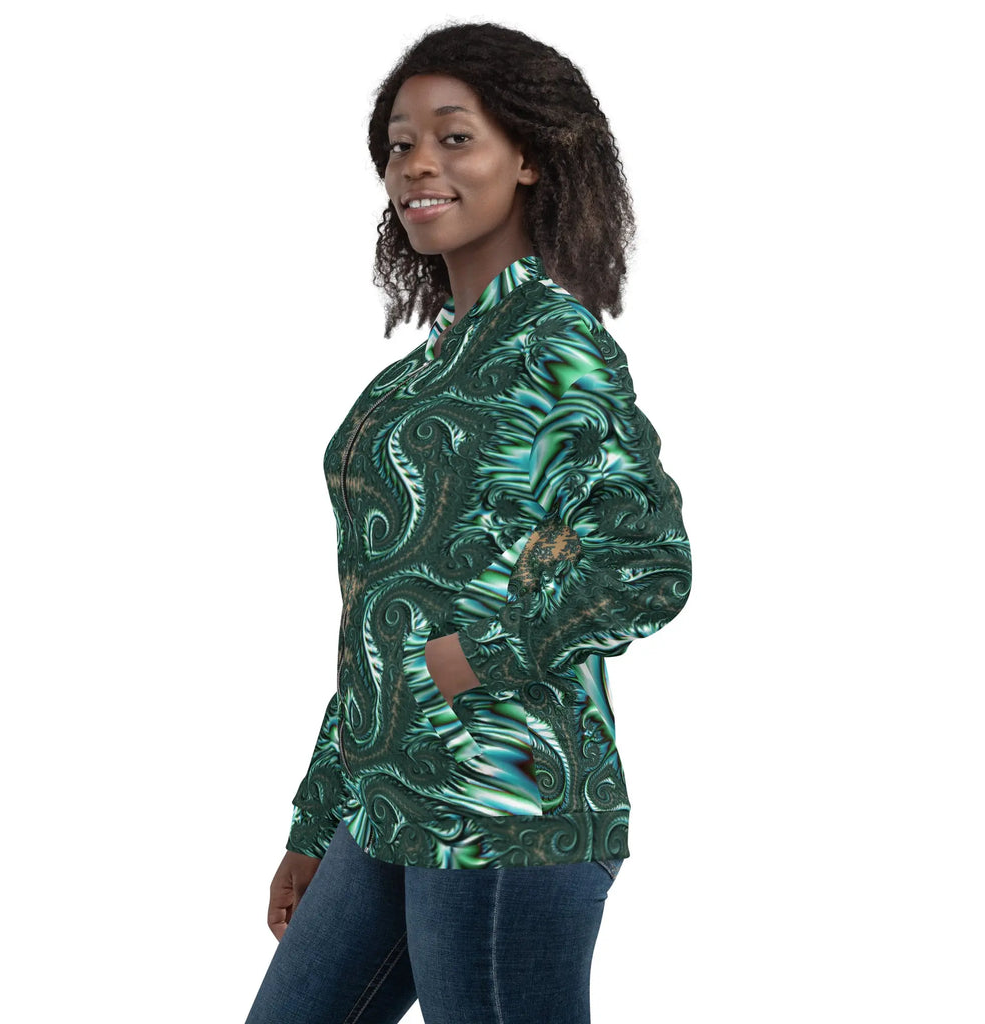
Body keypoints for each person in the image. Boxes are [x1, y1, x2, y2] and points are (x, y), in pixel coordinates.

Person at [244, 22, 691, 1024]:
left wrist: (476, 654)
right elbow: (382, 610)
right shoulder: (411, 380)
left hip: (505, 799)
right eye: (400, 144)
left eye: (454, 137)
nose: (416, 164)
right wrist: (318, 817)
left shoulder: (554, 345)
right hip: (388, 802)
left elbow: (644, 559)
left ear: (529, 158)